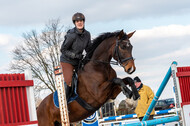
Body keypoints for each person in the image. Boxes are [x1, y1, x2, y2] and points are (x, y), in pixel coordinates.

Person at [60, 12, 92, 101]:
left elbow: (89, 49)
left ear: (83, 22)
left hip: (78, 61)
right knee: (69, 81)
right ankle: (65, 102)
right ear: (75, 23)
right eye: (77, 21)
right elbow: (63, 49)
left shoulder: (87, 34)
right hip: (67, 61)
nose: (79, 22)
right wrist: (74, 55)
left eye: (81, 20)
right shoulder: (71, 35)